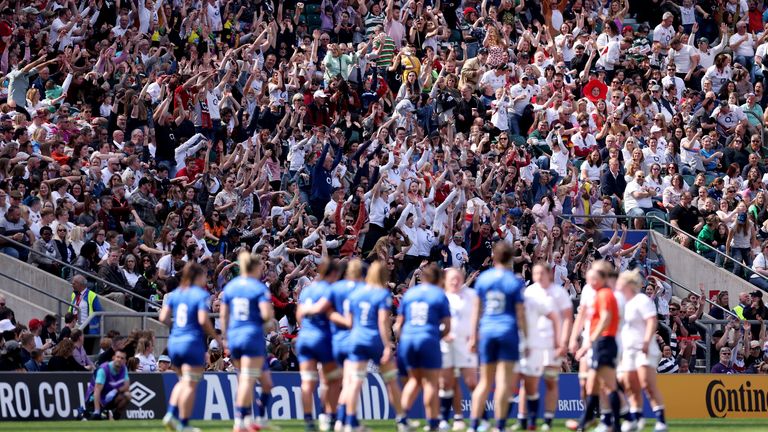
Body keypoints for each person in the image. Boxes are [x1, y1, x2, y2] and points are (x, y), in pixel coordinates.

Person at [338, 260, 405, 432]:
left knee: (354, 382)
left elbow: (350, 322)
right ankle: (402, 420)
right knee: (391, 380)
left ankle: (349, 422)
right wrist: (386, 345)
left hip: (357, 340)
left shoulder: (356, 294)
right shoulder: (381, 294)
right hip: (374, 340)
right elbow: (383, 321)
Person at [468, 242, 528, 432]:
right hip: (508, 333)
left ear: (494, 256)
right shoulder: (514, 282)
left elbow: (476, 310)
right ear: (510, 258)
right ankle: (500, 426)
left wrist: (472, 336)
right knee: (503, 382)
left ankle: (474, 424)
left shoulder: (484, 279)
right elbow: (520, 313)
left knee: (484, 381)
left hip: (487, 331)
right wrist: (526, 338)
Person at [159, 262, 222, 432]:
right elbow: (202, 320)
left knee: (183, 381)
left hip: (175, 342)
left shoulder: (176, 294)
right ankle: (184, 423)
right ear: (197, 277)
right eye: (203, 276)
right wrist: (216, 336)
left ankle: (171, 414)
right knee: (191, 383)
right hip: (191, 342)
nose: (205, 279)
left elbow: (163, 317)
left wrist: (177, 329)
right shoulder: (199, 295)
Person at [220, 251, 275, 432]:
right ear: (256, 268)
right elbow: (267, 315)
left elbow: (224, 315)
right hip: (252, 337)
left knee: (264, 382)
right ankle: (240, 421)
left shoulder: (231, 287)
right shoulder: (259, 288)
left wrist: (226, 338)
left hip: (235, 338)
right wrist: (266, 323)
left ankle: (256, 418)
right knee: (247, 380)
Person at [514, 263, 571, 431]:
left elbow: (567, 318)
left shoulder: (559, 293)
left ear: (548, 273)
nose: (538, 276)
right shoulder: (529, 292)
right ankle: (522, 419)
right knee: (527, 382)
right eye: (535, 273)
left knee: (550, 381)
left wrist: (563, 341)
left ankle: (547, 420)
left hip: (552, 344)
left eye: (541, 273)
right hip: (532, 344)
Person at [395, 263, 451, 432]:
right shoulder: (439, 295)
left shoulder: (410, 294)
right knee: (431, 383)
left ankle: (402, 419)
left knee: (414, 380)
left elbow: (398, 326)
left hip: (408, 340)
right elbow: (447, 327)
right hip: (428, 339)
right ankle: (433, 423)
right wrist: (436, 337)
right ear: (439, 279)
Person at [568, 262, 622, 432]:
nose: (589, 280)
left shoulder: (606, 293)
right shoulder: (594, 292)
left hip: (603, 341)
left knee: (606, 385)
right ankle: (591, 420)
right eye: (589, 277)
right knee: (590, 383)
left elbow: (606, 319)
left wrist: (588, 342)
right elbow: (583, 314)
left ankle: (612, 421)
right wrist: (574, 338)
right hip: (596, 341)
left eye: (593, 277)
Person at [617, 270, 667, 432]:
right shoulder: (624, 303)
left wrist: (646, 341)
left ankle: (660, 421)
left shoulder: (642, 300)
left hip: (644, 348)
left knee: (647, 384)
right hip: (628, 350)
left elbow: (652, 322)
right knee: (629, 385)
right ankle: (636, 420)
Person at [296, 259, 343, 432]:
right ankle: (327, 416)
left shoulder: (308, 291)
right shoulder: (330, 290)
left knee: (307, 382)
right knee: (332, 379)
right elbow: (330, 313)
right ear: (333, 274)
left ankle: (309, 421)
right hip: (322, 339)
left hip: (305, 338)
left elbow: (299, 314)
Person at [438, 268, 478, 431]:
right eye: (451, 278)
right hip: (445, 344)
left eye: (457, 278)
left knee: (472, 382)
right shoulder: (439, 297)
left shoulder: (471, 295)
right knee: (447, 383)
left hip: (465, 344)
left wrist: (474, 337)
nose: (455, 281)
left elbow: (476, 316)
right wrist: (443, 334)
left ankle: (480, 420)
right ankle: (449, 419)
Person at [80, 349, 131, 421]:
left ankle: (116, 417)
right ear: (113, 357)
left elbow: (126, 386)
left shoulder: (124, 368)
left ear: (125, 361)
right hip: (95, 399)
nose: (119, 360)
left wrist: (115, 391)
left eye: (122, 358)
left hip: (109, 398)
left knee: (127, 395)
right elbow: (97, 391)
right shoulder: (103, 369)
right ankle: (96, 412)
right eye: (118, 357)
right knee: (94, 419)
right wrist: (97, 411)